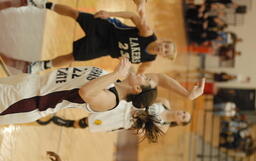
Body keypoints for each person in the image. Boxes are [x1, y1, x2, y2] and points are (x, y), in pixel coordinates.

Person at [0, 57, 205, 125]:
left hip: (26, 101)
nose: (146, 74)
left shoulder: (111, 100)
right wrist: (186, 94)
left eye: (146, 79)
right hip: (30, 83)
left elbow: (86, 93)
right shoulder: (120, 78)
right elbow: (161, 78)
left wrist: (114, 75)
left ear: (136, 88)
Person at [24, 0, 177, 74]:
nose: (162, 49)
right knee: (76, 14)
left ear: (162, 56)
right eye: (165, 46)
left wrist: (132, 76)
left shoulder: (148, 61)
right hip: (107, 29)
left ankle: (41, 65)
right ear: (162, 41)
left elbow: (138, 74)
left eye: (165, 51)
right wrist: (109, 14)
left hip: (104, 48)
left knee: (72, 57)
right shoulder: (148, 34)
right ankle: (43, 4)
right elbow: (132, 15)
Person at [37, 98, 191, 143]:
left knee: (88, 122)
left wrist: (139, 120)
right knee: (92, 104)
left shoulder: (163, 128)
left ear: (179, 122)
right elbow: (146, 98)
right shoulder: (165, 101)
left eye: (183, 117)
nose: (181, 114)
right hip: (123, 106)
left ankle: (66, 123)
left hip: (123, 120)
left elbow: (141, 133)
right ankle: (56, 104)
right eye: (184, 112)